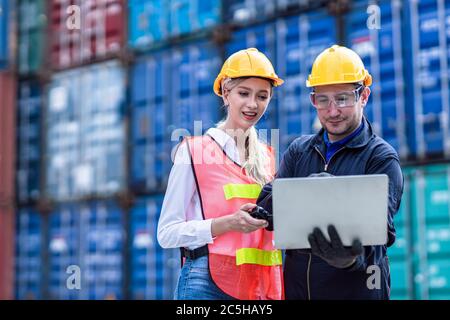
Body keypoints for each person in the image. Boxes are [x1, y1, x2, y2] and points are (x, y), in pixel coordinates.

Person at [257, 45, 404, 300]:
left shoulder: (380, 158)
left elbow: (381, 232)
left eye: (343, 98)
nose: (332, 111)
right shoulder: (298, 152)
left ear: (364, 96)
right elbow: (269, 203)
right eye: (322, 100)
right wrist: (309, 194)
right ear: (313, 100)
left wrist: (349, 258)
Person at [157, 48, 285, 300]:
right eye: (243, 93)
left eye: (262, 96)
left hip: (257, 284)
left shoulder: (268, 157)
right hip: (205, 283)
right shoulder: (193, 151)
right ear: (226, 94)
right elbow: (166, 233)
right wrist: (226, 224)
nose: (252, 104)